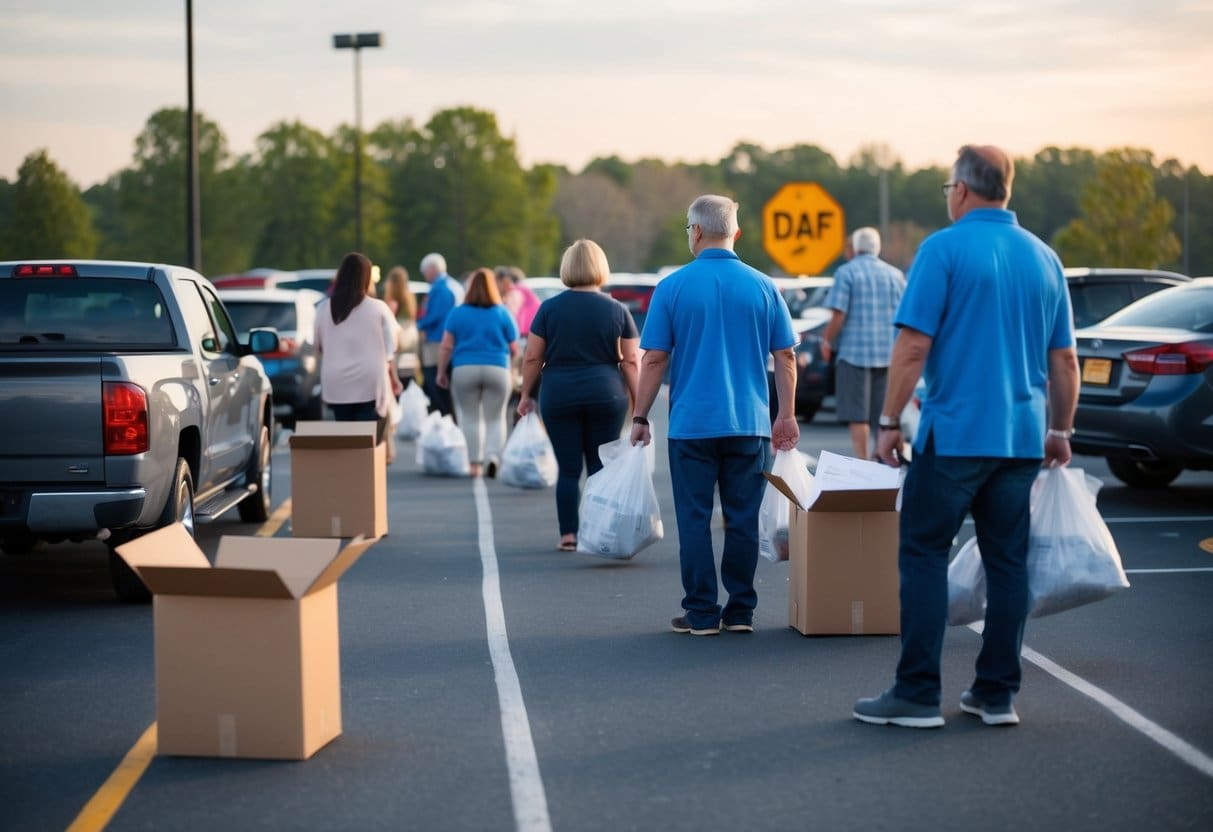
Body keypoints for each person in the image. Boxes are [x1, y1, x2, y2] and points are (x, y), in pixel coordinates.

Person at [853, 145, 1079, 728]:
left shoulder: (944, 249)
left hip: (955, 435)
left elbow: (911, 348)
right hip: (1022, 438)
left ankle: (917, 693)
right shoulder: (1044, 257)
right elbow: (1066, 362)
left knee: (924, 555)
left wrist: (885, 423)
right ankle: (996, 694)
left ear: (961, 190)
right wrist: (1059, 429)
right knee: (1008, 565)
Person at [630, 195, 800, 635]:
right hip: (750, 423)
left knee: (694, 518)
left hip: (692, 425)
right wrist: (786, 415)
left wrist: (639, 415)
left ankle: (702, 612)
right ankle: (741, 610)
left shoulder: (672, 287)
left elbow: (653, 360)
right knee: (743, 518)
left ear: (698, 231)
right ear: (736, 233)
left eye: (688, 228)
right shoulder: (765, 286)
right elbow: (785, 357)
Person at [517, 240, 640, 551]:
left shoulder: (549, 309)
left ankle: (568, 534)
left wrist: (525, 394)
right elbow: (630, 360)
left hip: (559, 393)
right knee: (600, 466)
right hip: (606, 394)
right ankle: (598, 531)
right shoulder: (617, 310)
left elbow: (532, 357)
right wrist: (639, 404)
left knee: (568, 469)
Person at [820, 227, 906, 460]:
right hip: (887, 355)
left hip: (853, 354)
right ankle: (883, 461)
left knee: (857, 415)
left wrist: (827, 340)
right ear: (877, 248)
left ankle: (863, 461)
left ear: (855, 248)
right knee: (882, 415)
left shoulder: (846, 273)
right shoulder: (895, 275)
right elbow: (904, 316)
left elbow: (839, 314)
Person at [314, 252, 403, 450]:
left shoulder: (323, 308)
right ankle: (366, 477)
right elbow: (392, 347)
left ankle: (349, 476)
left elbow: (318, 346)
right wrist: (393, 377)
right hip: (370, 382)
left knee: (345, 440)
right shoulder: (379, 308)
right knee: (367, 442)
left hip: (336, 383)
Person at [436, 268, 519, 478]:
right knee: (496, 417)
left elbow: (446, 346)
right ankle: (493, 457)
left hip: (465, 368)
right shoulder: (502, 312)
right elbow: (514, 347)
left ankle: (474, 463)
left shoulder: (457, 313)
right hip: (497, 368)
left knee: (470, 417)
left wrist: (441, 372)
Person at [417, 252, 465, 418]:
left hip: (438, 340)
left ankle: (446, 417)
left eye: (425, 272)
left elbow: (437, 315)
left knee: (435, 381)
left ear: (432, 269)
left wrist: (419, 324)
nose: (424, 276)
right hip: (453, 340)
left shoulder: (440, 288)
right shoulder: (454, 285)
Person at [380, 265, 420, 389]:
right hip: (410, 345)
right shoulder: (410, 298)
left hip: (397, 346)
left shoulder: (391, 300)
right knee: (409, 383)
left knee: (397, 386)